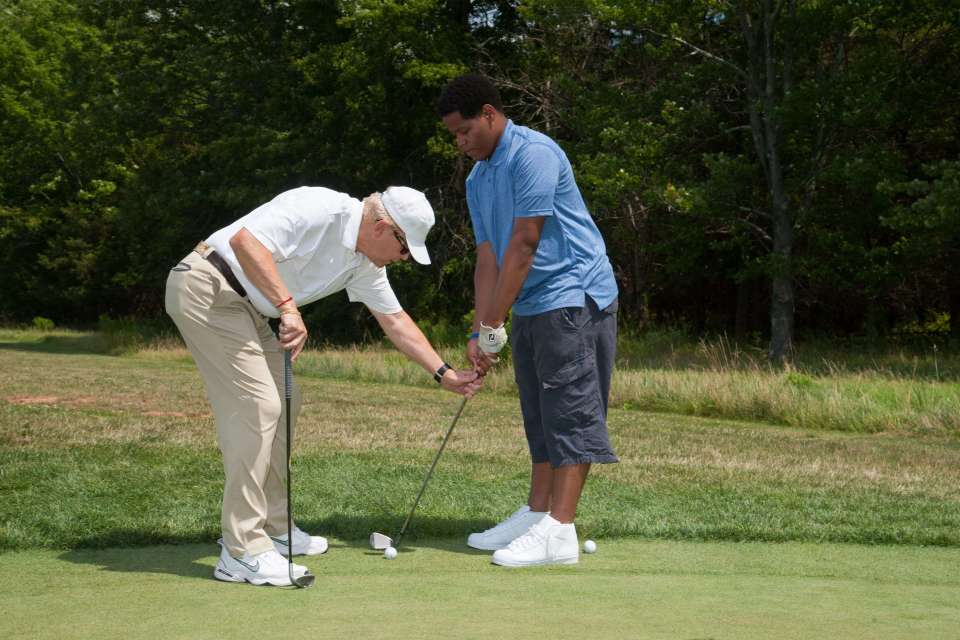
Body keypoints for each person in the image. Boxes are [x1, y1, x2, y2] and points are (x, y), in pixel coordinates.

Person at [165, 186, 480, 586]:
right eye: (404, 247)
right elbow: (247, 243)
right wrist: (288, 309)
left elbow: (396, 320)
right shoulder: (320, 207)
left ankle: (275, 526)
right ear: (383, 227)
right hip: (207, 287)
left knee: (285, 404)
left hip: (249, 309)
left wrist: (445, 374)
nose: (403, 258)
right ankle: (241, 549)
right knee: (259, 406)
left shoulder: (365, 264)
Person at [438, 74, 619, 567]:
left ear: (490, 114)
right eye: (454, 136)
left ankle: (559, 532)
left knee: (572, 413)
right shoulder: (479, 178)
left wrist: (496, 321)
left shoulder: (533, 154)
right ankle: (538, 512)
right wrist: (481, 329)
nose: (460, 143)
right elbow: (488, 260)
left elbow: (525, 243)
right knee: (539, 414)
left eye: (465, 131)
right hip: (532, 301)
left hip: (574, 295)